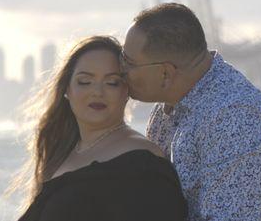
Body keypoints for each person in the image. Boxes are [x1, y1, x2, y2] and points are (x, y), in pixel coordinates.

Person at [122, 3, 261, 221]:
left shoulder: (236, 116)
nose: (120, 70)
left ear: (166, 73)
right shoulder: (170, 106)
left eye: (128, 62)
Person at [16, 35, 187, 221]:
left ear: (126, 92)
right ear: (67, 89)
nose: (97, 92)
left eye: (112, 82)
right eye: (85, 81)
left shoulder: (144, 165)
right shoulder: (61, 153)